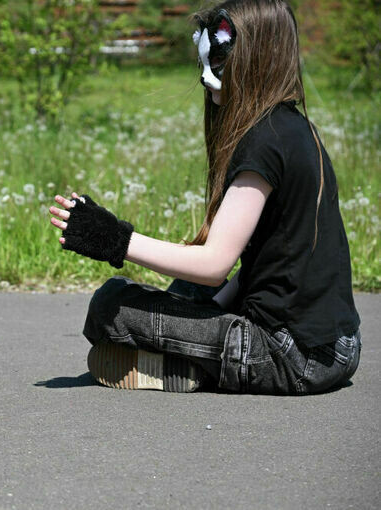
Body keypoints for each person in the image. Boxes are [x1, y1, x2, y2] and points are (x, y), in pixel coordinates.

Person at [48, 0, 361, 394]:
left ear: (254, 64)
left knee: (110, 306)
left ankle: (193, 363)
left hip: (290, 356)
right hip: (338, 347)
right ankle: (188, 358)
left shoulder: (262, 143)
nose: (207, 79)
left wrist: (115, 239)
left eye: (219, 66)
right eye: (204, 66)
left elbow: (215, 263)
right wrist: (205, 311)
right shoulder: (296, 130)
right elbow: (269, 265)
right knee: (186, 291)